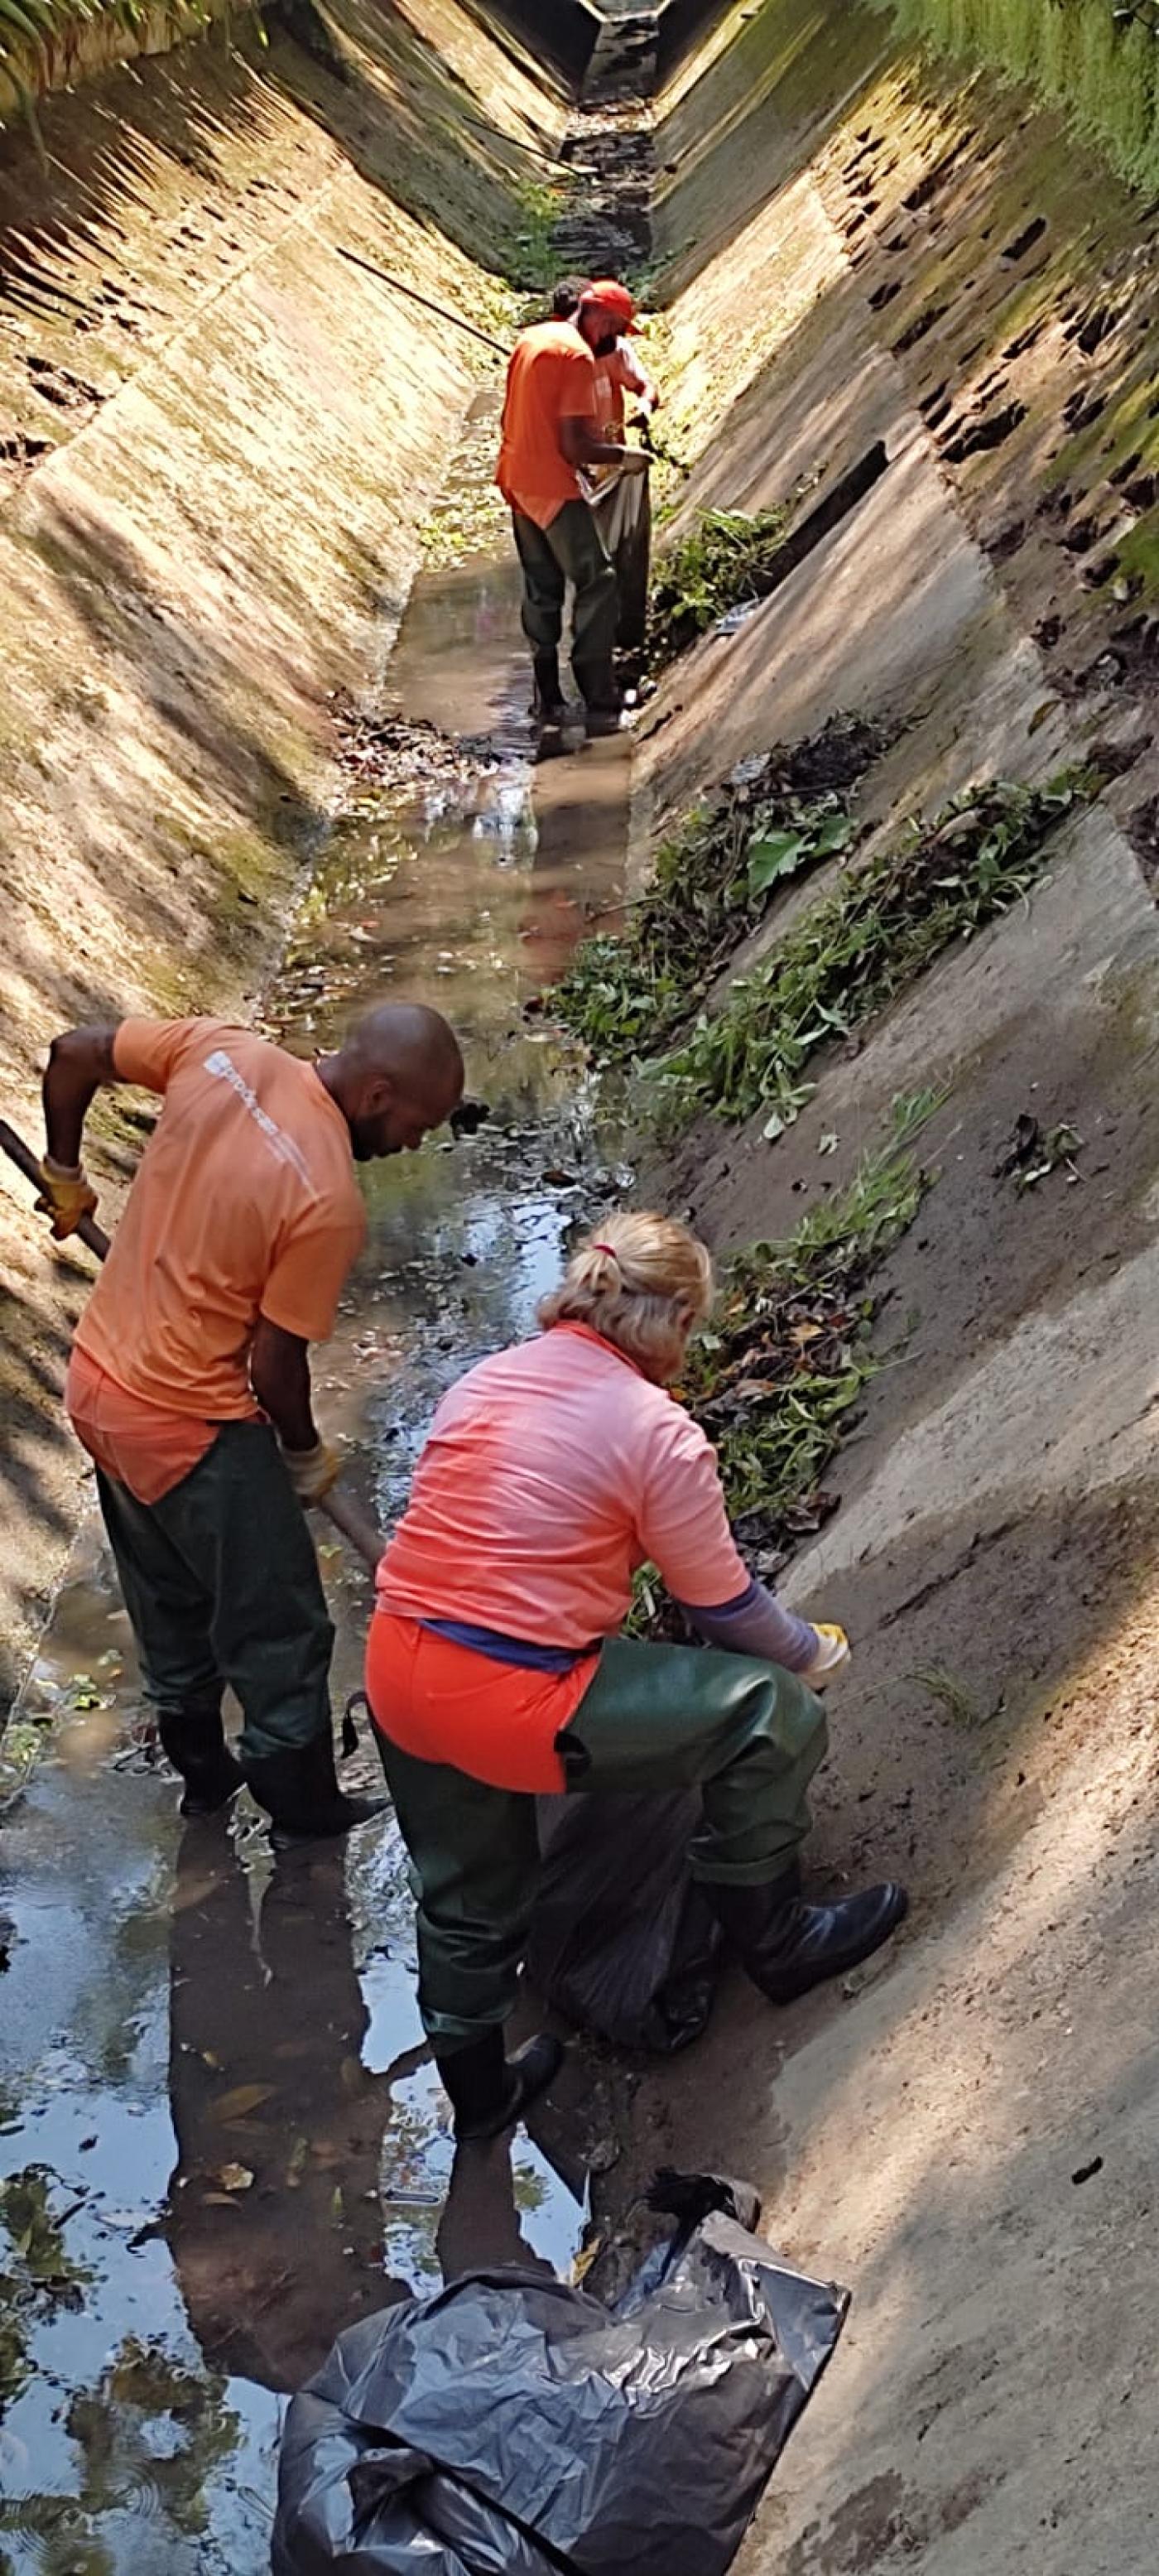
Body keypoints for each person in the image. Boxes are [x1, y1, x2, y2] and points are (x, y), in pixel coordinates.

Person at [364, 1211, 907, 2142]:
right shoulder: (658, 1434)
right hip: (514, 1693)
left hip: (397, 1672)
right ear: (677, 1322)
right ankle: (775, 1942)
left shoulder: (484, 1381)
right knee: (769, 1714)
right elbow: (723, 1609)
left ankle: (482, 2102)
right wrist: (810, 1655)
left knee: (461, 1897)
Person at [37, 1002, 464, 1840]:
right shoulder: (325, 1198)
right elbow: (273, 1368)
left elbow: (70, 1053)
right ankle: (303, 1811)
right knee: (283, 1629)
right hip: (188, 1424)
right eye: (421, 1123)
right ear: (379, 1093)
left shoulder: (218, 1051)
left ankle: (203, 1780)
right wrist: (303, 1456)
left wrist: (63, 1166)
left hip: (98, 1389)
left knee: (169, 1597)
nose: (419, 1142)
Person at [496, 285, 650, 732]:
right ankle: (598, 694)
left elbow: (515, 416)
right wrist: (623, 456)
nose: (616, 339)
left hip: (516, 476)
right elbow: (574, 443)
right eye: (617, 329)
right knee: (597, 579)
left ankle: (548, 698)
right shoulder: (578, 357)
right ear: (600, 318)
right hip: (549, 483)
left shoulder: (533, 338)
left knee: (542, 584)